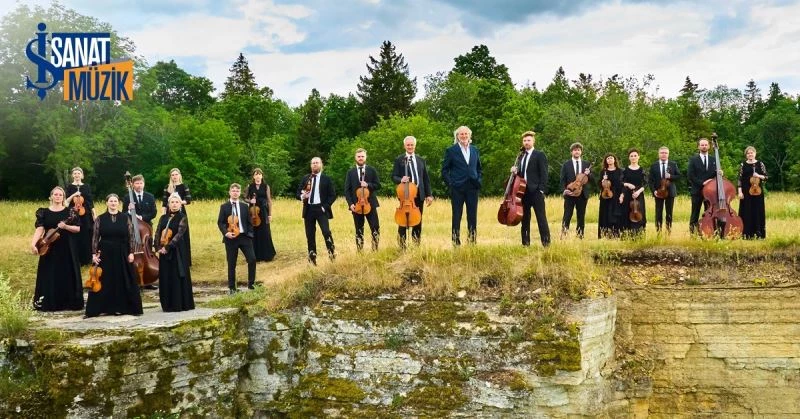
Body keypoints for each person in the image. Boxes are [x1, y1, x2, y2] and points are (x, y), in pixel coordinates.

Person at [85, 194, 143, 317]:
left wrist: (131, 252)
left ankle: (124, 308)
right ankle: (100, 308)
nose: (113, 203)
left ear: (119, 203)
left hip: (122, 251)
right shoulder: (100, 218)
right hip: (104, 252)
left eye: (115, 201)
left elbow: (131, 235)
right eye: (110, 201)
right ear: (107, 203)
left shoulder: (125, 218)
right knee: (103, 279)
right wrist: (94, 253)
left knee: (124, 279)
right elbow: (95, 237)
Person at [30, 186, 84, 311]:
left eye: (60, 195)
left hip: (67, 247)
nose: (58, 196)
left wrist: (65, 227)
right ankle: (49, 302)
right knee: (50, 273)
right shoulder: (44, 212)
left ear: (63, 197)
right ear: (51, 196)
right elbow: (40, 229)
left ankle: (68, 302)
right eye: (56, 194)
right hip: (49, 248)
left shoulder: (70, 211)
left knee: (67, 273)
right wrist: (33, 243)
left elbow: (78, 228)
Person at [442, 126, 482, 246]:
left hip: (472, 187)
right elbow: (444, 170)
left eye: (466, 134)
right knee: (457, 215)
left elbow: (479, 168)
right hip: (457, 188)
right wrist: (451, 183)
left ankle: (472, 241)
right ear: (457, 136)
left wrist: (478, 180)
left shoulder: (475, 150)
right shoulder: (451, 150)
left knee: (472, 216)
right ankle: (456, 241)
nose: (464, 136)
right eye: (461, 134)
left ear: (469, 135)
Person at [155, 193, 195, 312]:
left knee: (177, 275)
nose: (174, 204)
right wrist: (157, 247)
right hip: (163, 252)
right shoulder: (163, 218)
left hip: (177, 250)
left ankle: (179, 303)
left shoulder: (182, 217)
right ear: (168, 204)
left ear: (180, 204)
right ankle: (167, 304)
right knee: (166, 276)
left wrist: (167, 247)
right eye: (172, 202)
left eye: (177, 202)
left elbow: (179, 234)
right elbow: (158, 232)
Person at [392, 136, 433, 249]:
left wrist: (429, 194)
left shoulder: (421, 160)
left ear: (415, 146)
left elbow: (425, 178)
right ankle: (402, 247)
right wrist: (401, 179)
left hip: (419, 194)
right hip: (405, 195)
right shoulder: (399, 160)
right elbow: (393, 176)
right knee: (403, 222)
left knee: (417, 221)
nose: (410, 147)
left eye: (412, 145)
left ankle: (416, 247)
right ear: (404, 146)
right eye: (408, 145)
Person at [510, 130, 550, 247]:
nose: (526, 142)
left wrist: (541, 189)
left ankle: (546, 243)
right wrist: (515, 171)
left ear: (533, 141)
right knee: (525, 219)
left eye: (528, 140)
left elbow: (544, 174)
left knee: (541, 218)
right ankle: (525, 243)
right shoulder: (521, 156)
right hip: (523, 192)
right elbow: (521, 175)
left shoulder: (539, 155)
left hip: (536, 191)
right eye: (524, 141)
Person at [217, 183, 257, 293]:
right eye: (233, 190)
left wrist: (250, 234)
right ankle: (232, 288)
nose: (235, 192)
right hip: (231, 238)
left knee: (252, 259)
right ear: (230, 192)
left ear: (239, 193)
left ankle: (251, 285)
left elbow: (249, 222)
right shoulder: (224, 207)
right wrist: (226, 233)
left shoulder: (244, 206)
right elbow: (220, 223)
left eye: (237, 191)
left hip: (244, 237)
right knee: (231, 263)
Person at [298, 157, 336, 265]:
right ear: (311, 165)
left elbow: (332, 195)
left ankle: (332, 254)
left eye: (317, 163)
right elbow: (297, 193)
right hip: (309, 209)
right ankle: (312, 258)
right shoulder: (306, 178)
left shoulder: (326, 179)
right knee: (310, 235)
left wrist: (325, 207)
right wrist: (302, 196)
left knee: (326, 232)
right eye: (313, 163)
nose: (315, 165)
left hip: (321, 209)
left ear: (321, 164)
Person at [344, 149, 381, 251]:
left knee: (375, 227)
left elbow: (378, 185)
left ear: (366, 157)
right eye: (358, 156)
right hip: (357, 205)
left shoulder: (371, 170)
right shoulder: (350, 172)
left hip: (370, 204)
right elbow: (347, 190)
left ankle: (375, 249)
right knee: (359, 229)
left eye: (362, 156)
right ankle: (360, 251)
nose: (360, 158)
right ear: (355, 158)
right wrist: (350, 204)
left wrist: (368, 184)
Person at [560, 142, 592, 239]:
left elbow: (592, 179)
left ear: (581, 152)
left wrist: (589, 173)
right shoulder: (566, 164)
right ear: (571, 152)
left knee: (581, 216)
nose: (577, 152)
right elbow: (562, 179)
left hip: (582, 194)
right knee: (567, 215)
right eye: (575, 150)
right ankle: (564, 235)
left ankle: (580, 236)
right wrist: (564, 190)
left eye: (578, 150)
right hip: (570, 193)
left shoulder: (587, 164)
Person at [65, 167, 96, 265]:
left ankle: (87, 258)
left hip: (85, 213)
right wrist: (74, 194)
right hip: (73, 213)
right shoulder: (70, 187)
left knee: (86, 234)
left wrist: (94, 214)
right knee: (74, 235)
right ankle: (75, 259)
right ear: (72, 175)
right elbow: (66, 201)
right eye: (75, 173)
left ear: (82, 175)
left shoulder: (86, 186)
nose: (77, 175)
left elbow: (90, 201)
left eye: (79, 173)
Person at [161, 168, 192, 265]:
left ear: (179, 175)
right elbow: (164, 201)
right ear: (170, 176)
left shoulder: (184, 186)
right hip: (169, 213)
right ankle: (169, 255)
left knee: (182, 234)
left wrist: (178, 202)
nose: (174, 176)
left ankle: (185, 260)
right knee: (169, 233)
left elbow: (188, 200)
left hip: (181, 212)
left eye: (176, 174)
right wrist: (163, 213)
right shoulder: (167, 187)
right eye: (172, 175)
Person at [648, 146, 681, 234]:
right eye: (662, 153)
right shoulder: (654, 165)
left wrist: (670, 176)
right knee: (658, 213)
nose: (664, 154)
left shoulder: (673, 164)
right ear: (658, 154)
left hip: (670, 192)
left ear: (668, 154)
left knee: (669, 213)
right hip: (658, 192)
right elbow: (650, 180)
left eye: (665, 153)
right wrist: (653, 190)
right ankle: (658, 232)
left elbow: (679, 176)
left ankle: (668, 232)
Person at [737, 146, 768, 239]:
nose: (750, 154)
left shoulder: (760, 164)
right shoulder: (743, 164)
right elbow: (739, 179)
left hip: (757, 192)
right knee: (746, 211)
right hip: (746, 192)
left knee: (758, 211)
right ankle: (746, 234)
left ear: (755, 153)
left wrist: (759, 175)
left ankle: (759, 234)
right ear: (746, 155)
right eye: (748, 153)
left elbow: (766, 177)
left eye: (752, 152)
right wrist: (739, 192)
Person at [687, 138, 716, 235]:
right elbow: (691, 176)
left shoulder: (714, 159)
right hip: (697, 191)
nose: (704, 146)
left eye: (706, 145)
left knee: (709, 213)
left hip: (710, 192)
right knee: (695, 213)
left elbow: (715, 175)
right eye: (702, 145)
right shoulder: (693, 160)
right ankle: (693, 234)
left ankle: (708, 232)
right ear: (698, 146)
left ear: (709, 146)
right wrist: (703, 183)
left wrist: (719, 173)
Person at [247, 168, 277, 261]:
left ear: (262, 176)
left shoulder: (266, 186)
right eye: (256, 174)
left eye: (259, 174)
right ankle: (255, 256)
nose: (258, 176)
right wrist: (250, 200)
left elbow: (269, 200)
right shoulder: (250, 186)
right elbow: (244, 198)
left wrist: (270, 214)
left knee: (265, 232)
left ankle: (267, 255)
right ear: (253, 176)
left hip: (263, 211)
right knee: (254, 232)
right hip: (253, 211)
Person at [620, 148, 647, 237]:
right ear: (629, 158)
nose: (633, 157)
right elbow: (621, 182)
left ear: (638, 157)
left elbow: (646, 184)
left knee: (640, 212)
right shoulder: (625, 170)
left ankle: (639, 235)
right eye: (631, 156)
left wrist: (639, 191)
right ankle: (628, 235)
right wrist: (627, 184)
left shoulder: (642, 170)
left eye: (635, 155)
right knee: (627, 212)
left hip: (639, 195)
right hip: (628, 194)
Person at [598, 153, 624, 239]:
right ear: (606, 161)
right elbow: (599, 184)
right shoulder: (603, 172)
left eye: (611, 158)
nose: (609, 159)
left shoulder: (620, 171)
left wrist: (622, 195)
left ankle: (616, 234)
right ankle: (605, 234)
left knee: (616, 214)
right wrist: (603, 180)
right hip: (605, 195)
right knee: (605, 214)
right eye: (608, 158)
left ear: (614, 160)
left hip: (616, 195)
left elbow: (622, 184)